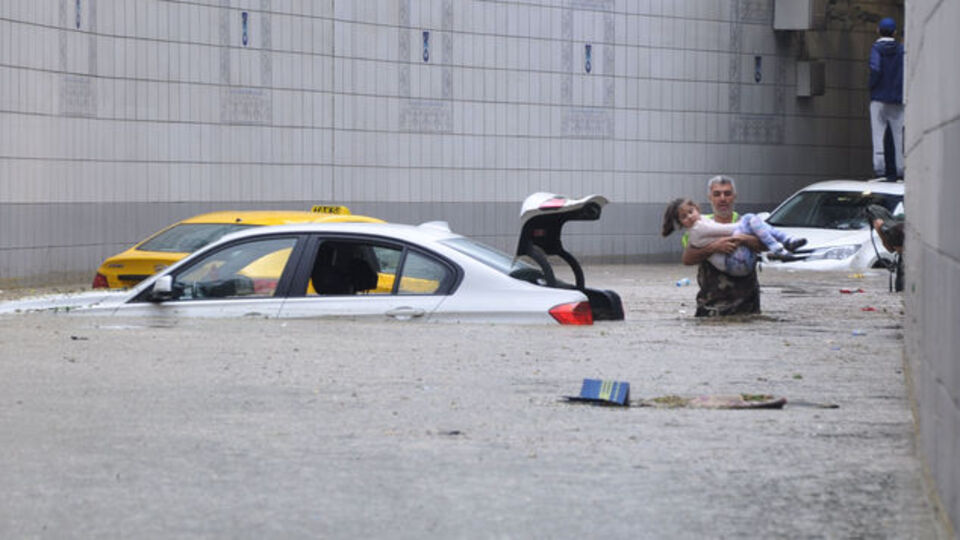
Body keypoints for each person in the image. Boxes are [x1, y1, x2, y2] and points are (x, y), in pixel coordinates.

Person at [680, 176, 763, 316]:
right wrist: (714, 247)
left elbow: (766, 246)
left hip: (748, 310)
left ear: (734, 197)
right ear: (710, 198)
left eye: (727, 194)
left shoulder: (748, 223)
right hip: (710, 310)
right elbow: (688, 259)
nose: (722, 198)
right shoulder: (699, 227)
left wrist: (744, 239)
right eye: (717, 194)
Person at [663, 198, 805, 276]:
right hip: (725, 277)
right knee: (751, 218)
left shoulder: (705, 220)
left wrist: (746, 236)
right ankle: (784, 244)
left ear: (697, 208)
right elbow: (687, 259)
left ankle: (785, 243)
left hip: (742, 282)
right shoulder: (698, 228)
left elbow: (760, 244)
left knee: (752, 220)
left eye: (690, 212)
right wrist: (748, 224)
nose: (689, 217)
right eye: (684, 216)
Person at [869, 17, 905, 179]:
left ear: (878, 30)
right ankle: (900, 169)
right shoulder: (901, 49)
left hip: (878, 98)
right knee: (899, 136)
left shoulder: (876, 49)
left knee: (878, 134)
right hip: (897, 99)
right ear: (895, 32)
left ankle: (880, 168)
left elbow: (875, 68)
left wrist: (872, 85)